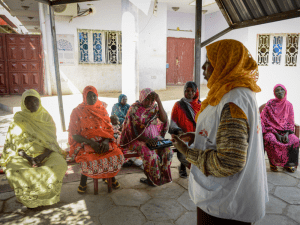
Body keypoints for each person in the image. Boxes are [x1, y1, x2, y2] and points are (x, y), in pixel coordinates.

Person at [171, 39, 268, 224]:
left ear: (224, 64)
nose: (203, 68)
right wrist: (199, 136)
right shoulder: (236, 93)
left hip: (224, 203)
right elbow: (228, 135)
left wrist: (187, 152)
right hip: (225, 198)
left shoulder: (233, 100)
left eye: (209, 62)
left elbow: (229, 162)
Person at [0, 89, 68, 209]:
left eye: (36, 101)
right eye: (29, 102)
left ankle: (46, 197)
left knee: (60, 164)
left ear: (40, 101)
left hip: (45, 152)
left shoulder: (46, 118)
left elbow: (51, 142)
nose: (33, 104)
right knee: (14, 170)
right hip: (23, 155)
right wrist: (29, 158)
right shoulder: (19, 119)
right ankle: (30, 201)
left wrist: (41, 156)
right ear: (23, 104)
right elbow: (14, 145)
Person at [68, 86, 124, 193]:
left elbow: (108, 128)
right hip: (85, 143)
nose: (92, 98)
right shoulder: (77, 111)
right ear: (84, 97)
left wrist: (106, 141)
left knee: (117, 155)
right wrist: (91, 143)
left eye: (94, 96)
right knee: (87, 160)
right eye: (89, 96)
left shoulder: (101, 109)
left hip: (103, 141)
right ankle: (83, 183)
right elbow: (74, 135)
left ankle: (111, 178)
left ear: (97, 96)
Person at [120, 88, 173, 186]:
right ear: (142, 97)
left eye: (152, 99)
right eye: (147, 99)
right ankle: (153, 180)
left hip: (154, 138)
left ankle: (164, 177)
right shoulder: (134, 109)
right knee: (150, 155)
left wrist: (159, 101)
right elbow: (131, 130)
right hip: (137, 139)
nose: (149, 102)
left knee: (168, 151)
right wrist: (147, 140)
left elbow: (164, 119)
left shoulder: (154, 107)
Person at [261, 84, 299, 173]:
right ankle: (273, 163)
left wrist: (286, 134)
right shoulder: (270, 103)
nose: (280, 92)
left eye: (282, 90)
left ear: (285, 91)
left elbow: (290, 121)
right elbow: (264, 120)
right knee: (270, 139)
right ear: (274, 93)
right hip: (271, 130)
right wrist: (276, 134)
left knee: (295, 140)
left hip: (286, 131)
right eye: (277, 90)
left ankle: (288, 164)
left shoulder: (289, 105)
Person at [169, 81, 201, 178]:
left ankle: (195, 169)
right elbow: (173, 123)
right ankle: (192, 169)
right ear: (184, 91)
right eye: (187, 91)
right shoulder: (178, 105)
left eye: (192, 91)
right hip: (182, 136)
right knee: (183, 154)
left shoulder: (201, 105)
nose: (190, 93)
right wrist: (179, 132)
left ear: (196, 92)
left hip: (197, 136)